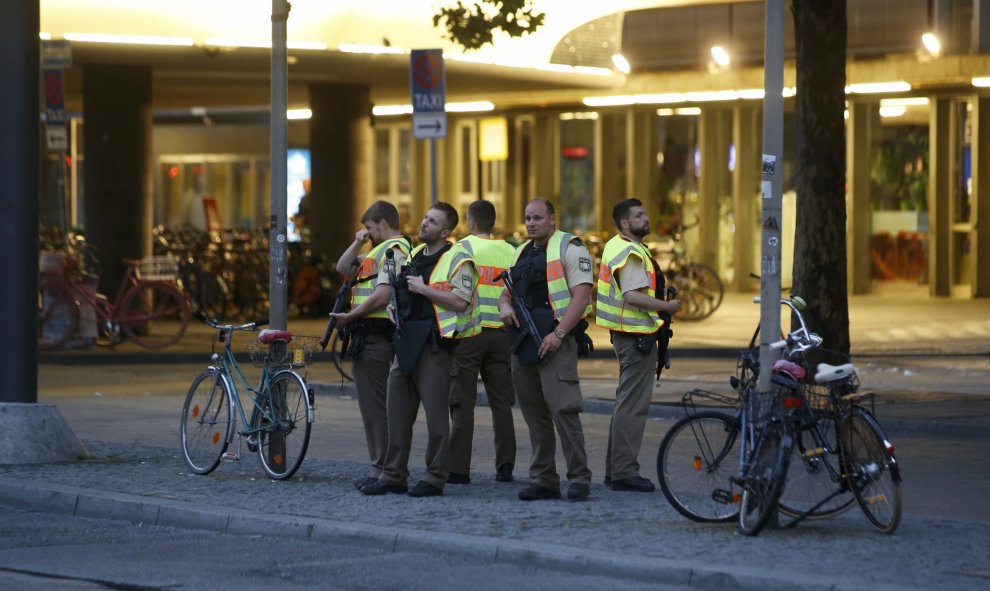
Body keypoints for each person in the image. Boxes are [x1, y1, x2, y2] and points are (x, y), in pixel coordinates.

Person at [362, 202, 480, 498]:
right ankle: (393, 475)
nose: (424, 223)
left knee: (436, 416)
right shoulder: (413, 254)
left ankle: (435, 476)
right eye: (425, 217)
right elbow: (403, 290)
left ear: (446, 231)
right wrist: (393, 306)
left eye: (432, 221)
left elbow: (460, 302)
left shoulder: (458, 258)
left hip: (435, 344)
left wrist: (423, 288)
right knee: (397, 411)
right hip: (406, 340)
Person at [498, 198, 594, 502]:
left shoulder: (570, 247)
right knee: (534, 414)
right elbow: (506, 291)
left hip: (556, 340)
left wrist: (559, 334)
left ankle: (579, 477)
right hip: (524, 341)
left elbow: (581, 297)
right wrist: (503, 306)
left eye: (537, 218)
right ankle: (543, 479)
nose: (530, 223)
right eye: (527, 218)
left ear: (552, 219)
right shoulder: (521, 251)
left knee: (564, 410)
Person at [595, 198, 681, 492]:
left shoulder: (618, 245)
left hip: (630, 336)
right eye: (639, 215)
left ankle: (615, 470)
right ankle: (623, 472)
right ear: (624, 224)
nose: (646, 217)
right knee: (633, 407)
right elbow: (633, 296)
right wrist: (667, 307)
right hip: (636, 338)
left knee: (625, 405)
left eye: (645, 212)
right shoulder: (629, 251)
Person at [328, 201, 412, 491]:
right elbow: (343, 269)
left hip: (377, 336)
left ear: (384, 223)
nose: (367, 233)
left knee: (377, 409)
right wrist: (356, 242)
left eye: (369, 228)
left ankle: (385, 471)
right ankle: (382, 469)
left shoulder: (395, 249)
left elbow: (383, 295)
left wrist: (349, 317)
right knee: (374, 408)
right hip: (370, 336)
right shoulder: (377, 251)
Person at [448, 200, 517, 485]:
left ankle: (458, 469)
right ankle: (505, 468)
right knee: (501, 404)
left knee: (462, 403)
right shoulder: (511, 250)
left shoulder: (462, 249)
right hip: (502, 334)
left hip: (470, 334)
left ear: (471, 222)